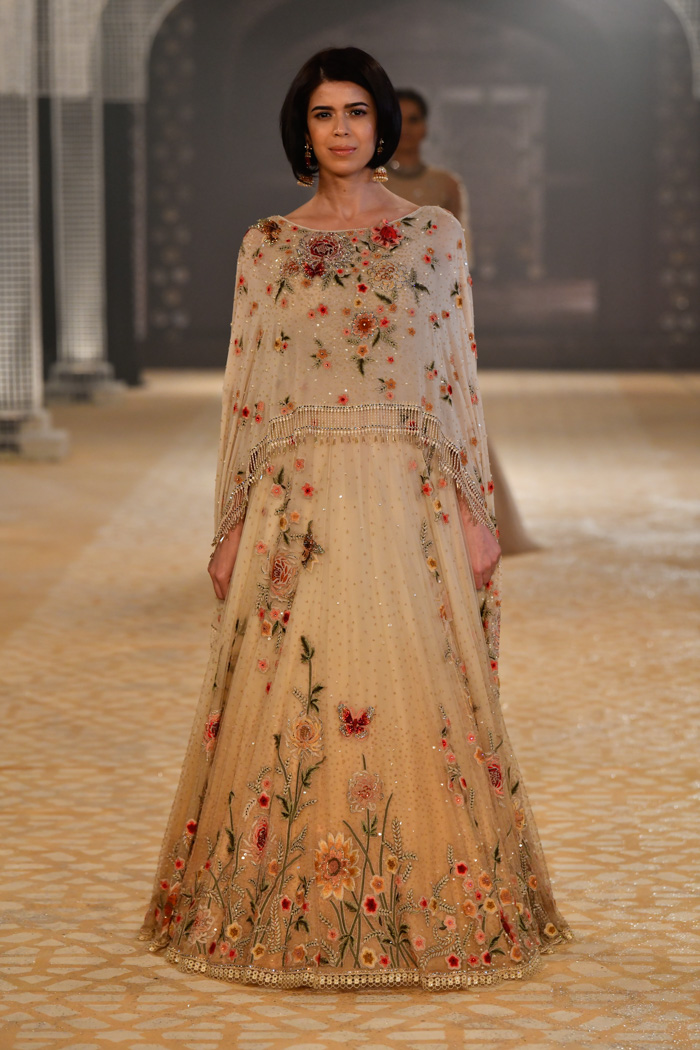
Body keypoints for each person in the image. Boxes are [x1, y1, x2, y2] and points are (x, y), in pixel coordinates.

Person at [139, 46, 572, 991]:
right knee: (299, 689)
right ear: (303, 130)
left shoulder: (431, 236)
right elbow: (248, 390)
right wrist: (229, 525)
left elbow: (454, 378)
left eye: (358, 112)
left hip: (407, 494)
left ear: (385, 126)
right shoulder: (267, 244)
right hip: (296, 505)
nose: (342, 129)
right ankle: (278, 903)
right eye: (325, 113)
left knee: (410, 682)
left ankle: (435, 903)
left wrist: (476, 511)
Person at [386, 88, 539, 556]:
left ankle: (456, 523)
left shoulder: (445, 184)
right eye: (399, 118)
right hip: (379, 315)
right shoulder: (368, 184)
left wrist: (447, 317)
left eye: (415, 118)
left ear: (427, 126)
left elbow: (456, 255)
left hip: (429, 314)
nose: (408, 128)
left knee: (443, 408)